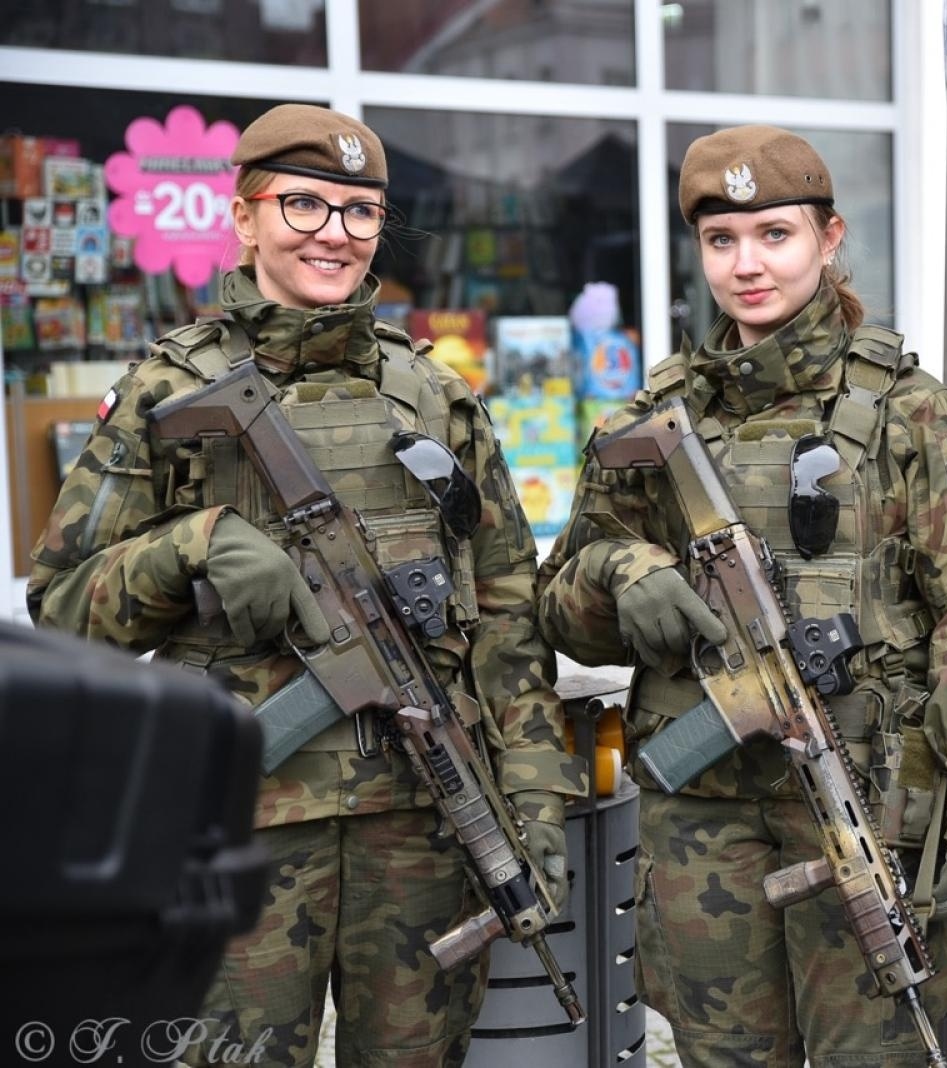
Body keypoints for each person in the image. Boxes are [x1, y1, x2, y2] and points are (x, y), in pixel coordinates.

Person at [28, 103, 585, 1067]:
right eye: (303, 204)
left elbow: (508, 622)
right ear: (243, 218)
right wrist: (190, 545)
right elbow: (61, 609)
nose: (334, 232)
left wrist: (534, 805)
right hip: (240, 827)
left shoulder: (436, 397)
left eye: (361, 212)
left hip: (422, 825)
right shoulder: (168, 393)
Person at [538, 124, 947, 1066]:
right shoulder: (650, 422)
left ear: (829, 235)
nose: (747, 265)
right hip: (700, 822)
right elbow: (559, 608)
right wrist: (622, 574)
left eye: (775, 234)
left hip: (869, 807)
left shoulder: (908, 410)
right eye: (723, 240)